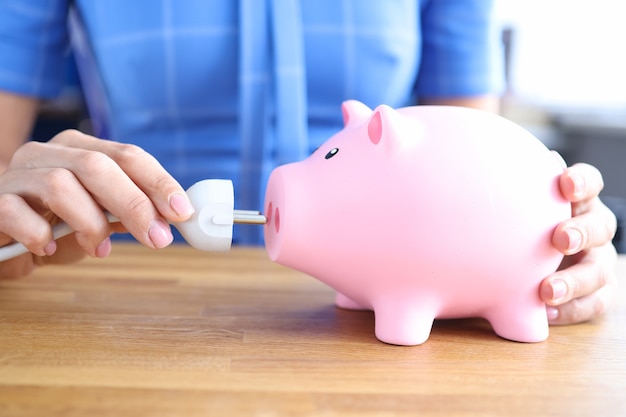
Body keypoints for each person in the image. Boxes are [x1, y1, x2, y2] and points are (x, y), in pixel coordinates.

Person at [0, 1, 617, 325]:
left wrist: (536, 245)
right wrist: (14, 206)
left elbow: (478, 161)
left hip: (369, 324)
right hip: (122, 306)